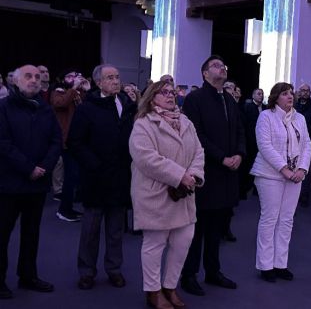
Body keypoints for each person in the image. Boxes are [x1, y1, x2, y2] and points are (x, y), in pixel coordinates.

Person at [129, 81, 205, 309]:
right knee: (155, 244)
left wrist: (193, 174)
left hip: (184, 194)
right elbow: (146, 158)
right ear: (152, 98)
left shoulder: (186, 121)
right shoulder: (144, 123)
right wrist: (180, 175)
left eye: (172, 92)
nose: (170, 96)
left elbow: (199, 152)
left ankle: (170, 287)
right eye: (164, 92)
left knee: (183, 241)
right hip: (156, 193)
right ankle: (153, 292)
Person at [180, 55, 246, 297]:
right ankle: (189, 274)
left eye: (224, 65)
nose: (223, 68)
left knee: (217, 228)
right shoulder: (195, 100)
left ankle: (212, 270)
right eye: (217, 65)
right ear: (205, 73)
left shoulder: (228, 98)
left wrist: (239, 153)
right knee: (197, 229)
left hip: (228, 174)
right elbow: (195, 135)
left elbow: (240, 129)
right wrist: (221, 157)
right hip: (205, 172)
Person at [68, 64, 136, 290]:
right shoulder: (87, 108)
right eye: (110, 78)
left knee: (116, 230)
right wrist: (94, 165)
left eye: (117, 77)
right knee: (91, 230)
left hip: (120, 178)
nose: (116, 81)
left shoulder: (127, 105)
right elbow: (75, 142)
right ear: (98, 82)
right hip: (96, 178)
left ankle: (114, 269)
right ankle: (86, 271)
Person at [0, 65, 62, 299]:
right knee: (3, 234)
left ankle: (28, 276)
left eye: (37, 77)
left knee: (31, 233)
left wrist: (43, 167)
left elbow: (56, 141)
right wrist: (29, 168)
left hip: (37, 184)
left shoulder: (45, 109)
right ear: (15, 81)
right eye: (28, 76)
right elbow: (3, 143)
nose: (34, 80)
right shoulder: (4, 107)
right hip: (8, 183)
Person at [250, 82, 311, 282]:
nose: (290, 96)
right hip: (269, 175)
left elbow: (307, 145)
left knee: (286, 220)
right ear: (276, 97)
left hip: (295, 176)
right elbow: (264, 146)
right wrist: (284, 169)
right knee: (270, 219)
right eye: (285, 94)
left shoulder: (300, 118)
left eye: (291, 93)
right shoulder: (266, 116)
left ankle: (280, 263)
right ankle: (266, 265)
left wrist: (302, 168)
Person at [51, 69, 89, 222]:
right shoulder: (59, 91)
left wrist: (87, 90)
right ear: (62, 79)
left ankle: (69, 207)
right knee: (70, 176)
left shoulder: (78, 93)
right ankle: (64, 210)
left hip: (79, 140)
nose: (73, 78)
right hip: (66, 141)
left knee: (76, 177)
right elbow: (60, 104)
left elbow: (87, 110)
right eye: (69, 76)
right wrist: (74, 88)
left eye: (75, 76)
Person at [295, 83, 311, 208]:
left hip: (306, 143)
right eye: (302, 90)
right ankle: (294, 195)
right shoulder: (294, 106)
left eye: (307, 90)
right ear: (299, 92)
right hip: (292, 142)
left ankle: (304, 197)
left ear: (310, 93)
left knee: (305, 169)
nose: (304, 92)